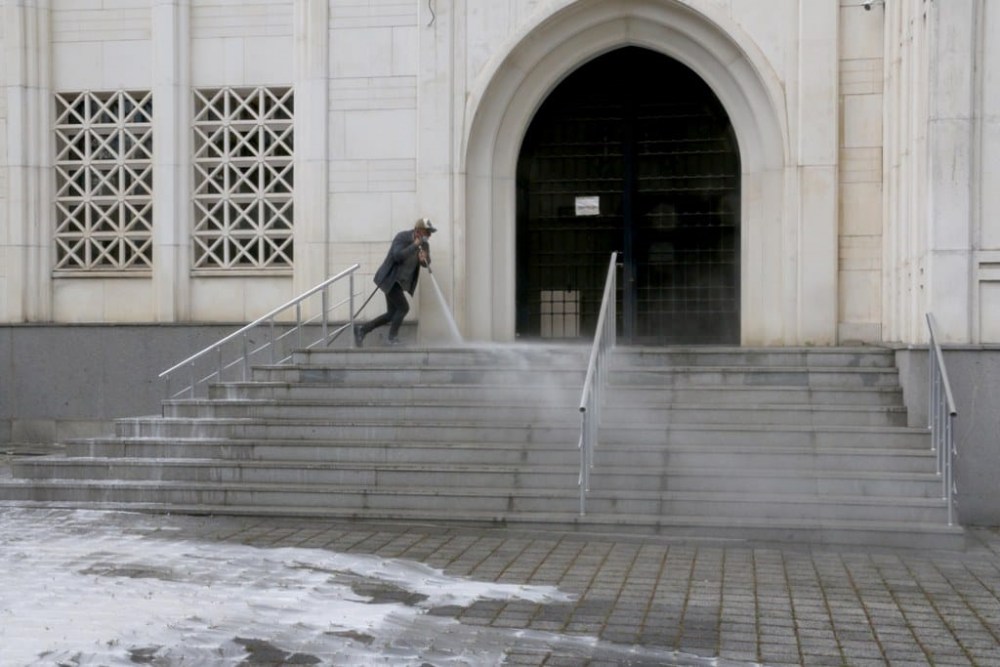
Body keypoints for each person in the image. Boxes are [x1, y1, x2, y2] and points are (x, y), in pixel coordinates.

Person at [354, 218, 436, 347]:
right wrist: (414, 245)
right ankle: (392, 338)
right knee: (403, 308)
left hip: (400, 283)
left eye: (430, 233)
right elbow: (397, 256)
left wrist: (424, 259)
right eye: (427, 232)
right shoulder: (402, 237)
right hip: (390, 279)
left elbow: (426, 264)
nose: (429, 235)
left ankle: (362, 329)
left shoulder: (425, 245)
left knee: (392, 314)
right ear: (417, 231)